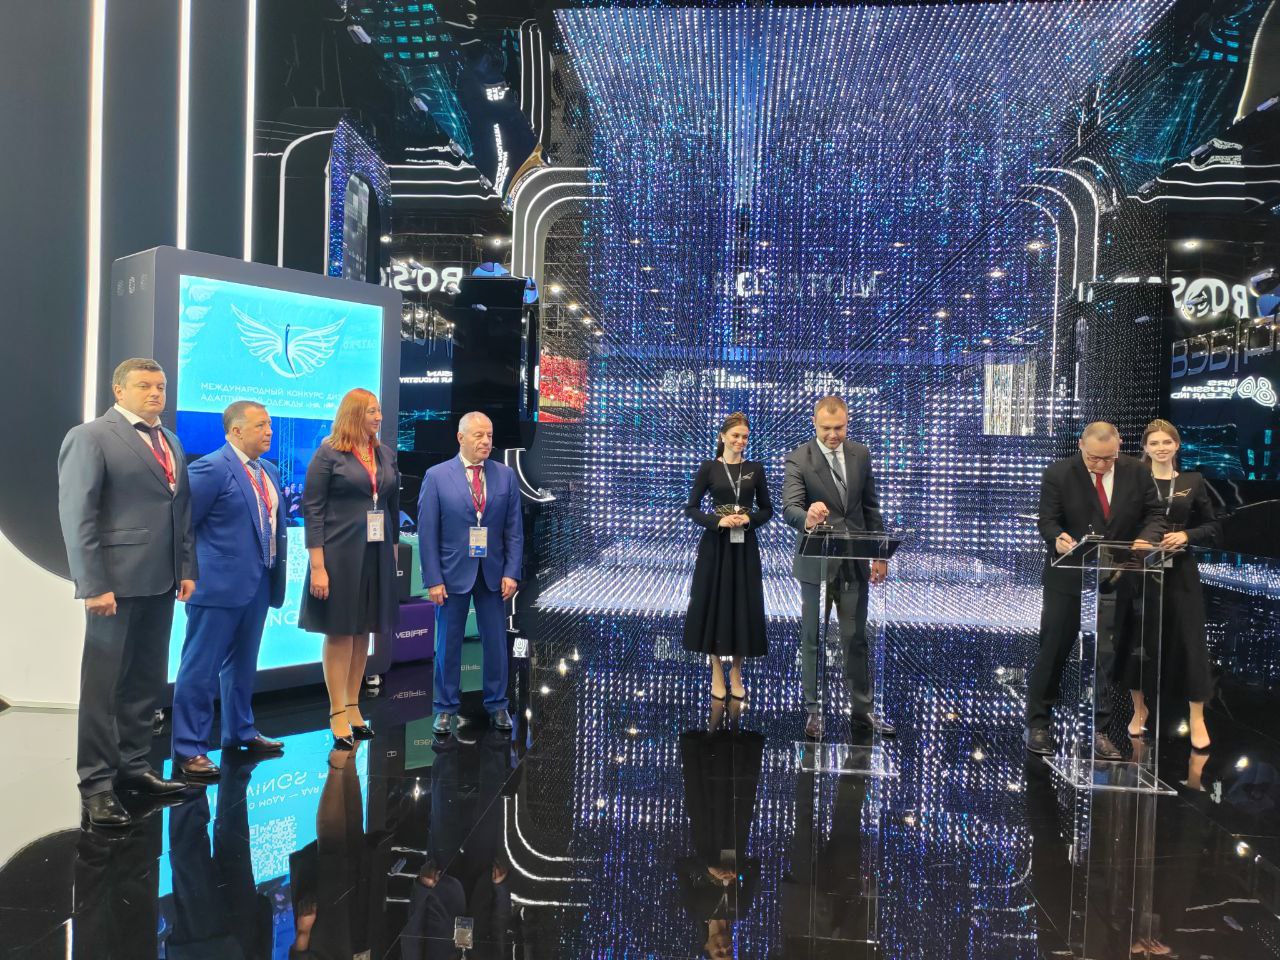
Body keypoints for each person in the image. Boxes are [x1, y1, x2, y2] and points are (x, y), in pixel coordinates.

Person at [58, 357, 197, 828]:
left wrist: (186, 568)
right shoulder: (91, 437)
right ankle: (97, 783)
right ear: (119, 390)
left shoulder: (170, 440)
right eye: (144, 386)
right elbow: (78, 515)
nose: (156, 393)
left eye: (161, 386)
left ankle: (133, 766)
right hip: (113, 585)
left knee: (145, 679)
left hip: (161, 580)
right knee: (103, 687)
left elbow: (181, 510)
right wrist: (93, 583)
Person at [1025, 421, 1165, 760]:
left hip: (1116, 576)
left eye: (1108, 458)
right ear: (1081, 446)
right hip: (1068, 577)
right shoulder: (1059, 473)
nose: (1101, 464)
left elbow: (1156, 514)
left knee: (1105, 657)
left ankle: (1099, 730)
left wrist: (1146, 538)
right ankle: (1039, 724)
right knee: (1053, 650)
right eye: (1094, 458)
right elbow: (1047, 520)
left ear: (1119, 446)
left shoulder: (1136, 471)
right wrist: (1057, 538)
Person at [171, 401, 288, 779]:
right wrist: (187, 573)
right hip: (217, 586)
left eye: (269, 425)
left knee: (243, 664)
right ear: (236, 431)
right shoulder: (211, 468)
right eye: (260, 426)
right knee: (200, 669)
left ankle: (241, 730)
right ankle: (189, 748)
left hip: (259, 582)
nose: (269, 432)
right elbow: (183, 525)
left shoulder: (268, 470)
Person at [781, 395, 890, 741]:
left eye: (839, 428)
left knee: (856, 638)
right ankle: (814, 711)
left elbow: (870, 508)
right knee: (812, 638)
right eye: (827, 428)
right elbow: (789, 508)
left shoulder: (861, 454)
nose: (833, 435)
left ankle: (863, 710)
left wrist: (880, 554)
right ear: (814, 423)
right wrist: (808, 516)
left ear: (847, 422)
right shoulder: (799, 458)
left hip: (854, 562)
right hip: (816, 564)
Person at [300, 388, 400, 749]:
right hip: (339, 554)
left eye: (379, 410)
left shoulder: (385, 454)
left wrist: (392, 554)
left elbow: (391, 506)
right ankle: (337, 711)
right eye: (372, 411)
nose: (379, 417)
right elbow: (312, 509)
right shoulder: (329, 453)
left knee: (363, 632)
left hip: (376, 554)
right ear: (354, 414)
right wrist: (318, 565)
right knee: (341, 631)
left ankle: (355, 706)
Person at [418, 412, 523, 736]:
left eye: (489, 435)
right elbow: (427, 532)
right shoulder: (437, 476)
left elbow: (514, 530)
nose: (486, 441)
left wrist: (512, 572)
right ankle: (445, 708)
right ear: (461, 437)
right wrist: (433, 579)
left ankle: (498, 704)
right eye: (479, 435)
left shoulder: (506, 476)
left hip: (493, 573)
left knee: (496, 643)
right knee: (448, 643)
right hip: (451, 574)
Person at [1124, 419, 1220, 750]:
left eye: (1167, 442)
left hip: (1181, 571)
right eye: (1154, 443)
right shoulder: (1134, 482)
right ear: (1145, 448)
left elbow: (1213, 526)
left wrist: (1187, 535)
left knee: (1190, 641)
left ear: (1177, 445)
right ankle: (1139, 709)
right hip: (1142, 569)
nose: (1161, 448)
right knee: (1138, 638)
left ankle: (1197, 717)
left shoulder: (1193, 481)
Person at [682, 412, 773, 701]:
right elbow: (691, 508)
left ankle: (736, 671)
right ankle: (716, 671)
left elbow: (767, 510)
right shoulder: (708, 468)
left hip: (744, 546)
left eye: (745, 436)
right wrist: (717, 521)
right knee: (713, 602)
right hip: (716, 545)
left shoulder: (755, 469)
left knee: (742, 605)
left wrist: (748, 519)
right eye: (735, 435)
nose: (740, 441)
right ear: (723, 437)